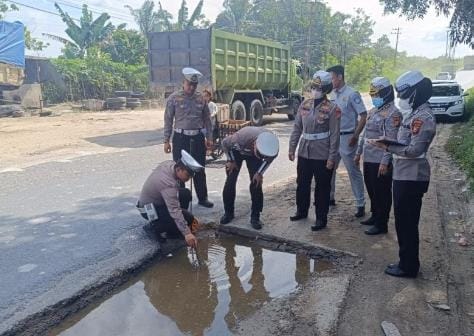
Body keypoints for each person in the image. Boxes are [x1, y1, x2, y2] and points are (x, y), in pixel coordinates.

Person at [369, 70, 436, 278]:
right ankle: (406, 260)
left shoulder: (423, 116)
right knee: (402, 221)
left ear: (415, 92)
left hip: (412, 176)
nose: (401, 99)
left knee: (406, 222)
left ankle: (408, 267)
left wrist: (388, 147)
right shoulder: (414, 114)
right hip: (404, 174)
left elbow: (415, 150)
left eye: (404, 94)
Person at [288, 70, 340, 231]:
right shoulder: (305, 104)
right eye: (313, 87)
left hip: (322, 153)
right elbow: (297, 128)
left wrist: (332, 157)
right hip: (304, 151)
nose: (315, 90)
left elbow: (335, 135)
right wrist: (292, 147)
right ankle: (301, 211)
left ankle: (321, 218)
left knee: (322, 187)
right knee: (302, 184)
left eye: (318, 88)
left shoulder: (332, 108)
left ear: (325, 90)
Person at [355, 77, 403, 235]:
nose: (374, 98)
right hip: (369, 158)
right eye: (372, 95)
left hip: (381, 160)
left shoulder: (393, 114)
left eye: (376, 94)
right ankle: (374, 216)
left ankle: (382, 224)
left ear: (387, 93)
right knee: (372, 190)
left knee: (382, 192)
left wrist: (385, 162)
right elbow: (365, 135)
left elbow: (392, 140)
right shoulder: (373, 111)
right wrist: (358, 153)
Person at [163, 67, 214, 208]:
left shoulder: (201, 99)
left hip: (197, 138)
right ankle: (181, 199)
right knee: (180, 169)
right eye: (189, 84)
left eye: (194, 85)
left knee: (199, 169)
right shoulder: (174, 98)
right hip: (180, 138)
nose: (191, 87)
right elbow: (168, 120)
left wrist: (209, 138)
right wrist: (166, 140)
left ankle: (203, 198)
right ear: (183, 83)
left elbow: (207, 120)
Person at [136, 150, 203, 248]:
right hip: (149, 209)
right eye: (187, 175)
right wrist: (187, 233)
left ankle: (174, 227)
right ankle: (155, 227)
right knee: (187, 218)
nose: (188, 179)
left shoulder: (171, 164)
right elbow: (174, 210)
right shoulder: (168, 184)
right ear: (179, 169)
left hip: (159, 201)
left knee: (185, 194)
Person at [219, 126, 279, 230]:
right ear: (255, 144)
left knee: (256, 183)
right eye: (260, 154)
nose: (262, 157)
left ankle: (255, 216)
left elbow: (268, 160)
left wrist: (259, 173)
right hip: (237, 151)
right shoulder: (239, 138)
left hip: (253, 157)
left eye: (263, 156)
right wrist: (230, 160)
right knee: (230, 180)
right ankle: (228, 213)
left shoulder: (272, 147)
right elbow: (225, 143)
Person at [327, 65, 367, 217]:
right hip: (333, 137)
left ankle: (360, 203)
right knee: (329, 168)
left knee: (353, 171)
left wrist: (356, 135)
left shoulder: (352, 94)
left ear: (340, 77)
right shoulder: (332, 95)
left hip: (347, 137)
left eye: (332, 78)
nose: (331, 81)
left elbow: (363, 116)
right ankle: (329, 198)